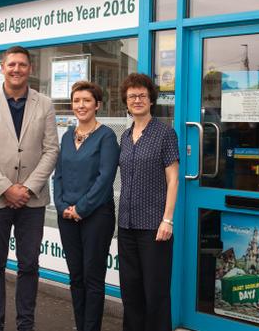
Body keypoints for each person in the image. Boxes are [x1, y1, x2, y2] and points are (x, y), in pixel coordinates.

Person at [0, 45, 59, 331]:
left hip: (31, 202)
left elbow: (51, 150)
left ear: (30, 69)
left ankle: (25, 325)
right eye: (11, 65)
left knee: (29, 266)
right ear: (3, 68)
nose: (17, 69)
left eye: (22, 64)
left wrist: (29, 188)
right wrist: (6, 188)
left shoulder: (44, 103)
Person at [53, 81, 120, 331]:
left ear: (97, 105)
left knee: (93, 279)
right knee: (76, 277)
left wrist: (81, 208)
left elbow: (105, 179)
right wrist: (61, 207)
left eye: (86, 101)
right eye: (76, 101)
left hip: (96, 217)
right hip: (67, 216)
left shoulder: (107, 136)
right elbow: (57, 175)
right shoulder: (68, 136)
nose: (81, 105)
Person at [117, 73, 180, 331]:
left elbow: (173, 180)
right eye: (132, 96)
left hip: (154, 228)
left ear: (151, 99)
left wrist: (167, 219)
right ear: (126, 101)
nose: (137, 100)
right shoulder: (125, 135)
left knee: (155, 293)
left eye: (142, 95)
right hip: (127, 225)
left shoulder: (165, 133)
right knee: (130, 292)